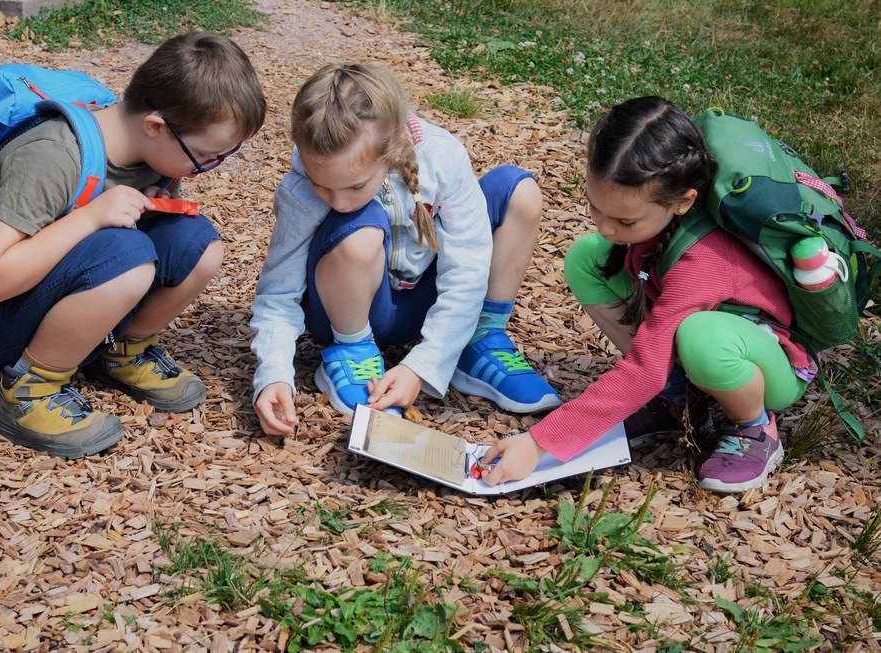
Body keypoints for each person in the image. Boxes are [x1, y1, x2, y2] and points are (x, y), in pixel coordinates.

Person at [0, 31, 266, 458]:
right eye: (207, 156)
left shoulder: (149, 152)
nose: (210, 167)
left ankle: (119, 352)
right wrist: (92, 217)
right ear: (155, 127)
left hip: (56, 295)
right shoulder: (53, 156)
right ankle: (29, 393)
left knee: (198, 246)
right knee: (128, 260)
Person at [479, 96, 815, 494]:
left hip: (770, 362)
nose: (605, 227)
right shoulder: (654, 222)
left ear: (683, 201)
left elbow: (645, 367)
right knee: (587, 257)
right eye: (595, 207)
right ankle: (680, 400)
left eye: (624, 220)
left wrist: (540, 443)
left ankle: (753, 427)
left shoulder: (702, 263)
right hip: (717, 335)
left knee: (699, 336)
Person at [250, 62, 561, 435]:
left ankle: (478, 338)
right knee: (357, 226)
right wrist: (273, 374)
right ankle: (352, 351)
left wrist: (425, 364)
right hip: (345, 310)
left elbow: (467, 268)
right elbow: (278, 293)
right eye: (323, 186)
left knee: (518, 190)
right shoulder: (305, 184)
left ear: (395, 146)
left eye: (355, 186)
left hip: (424, 306)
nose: (338, 201)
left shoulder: (442, 158)